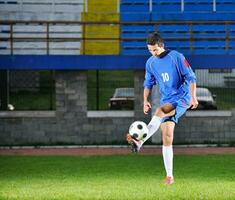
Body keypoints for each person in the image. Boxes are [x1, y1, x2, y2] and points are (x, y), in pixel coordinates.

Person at [126, 32, 198, 185]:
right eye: (150, 50)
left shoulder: (176, 57)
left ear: (161, 46)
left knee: (160, 111)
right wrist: (145, 100)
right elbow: (148, 84)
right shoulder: (150, 63)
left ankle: (139, 142)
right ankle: (170, 176)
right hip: (167, 100)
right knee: (167, 136)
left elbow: (191, 77)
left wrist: (193, 96)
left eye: (155, 50)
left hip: (181, 98)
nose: (153, 53)